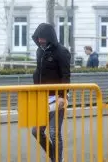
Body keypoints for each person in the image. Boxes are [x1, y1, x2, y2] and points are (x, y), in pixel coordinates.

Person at [31, 23, 71, 162]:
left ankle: (58, 160)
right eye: (38, 38)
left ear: (49, 37)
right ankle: (54, 157)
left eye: (42, 38)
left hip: (58, 98)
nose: (40, 40)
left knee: (54, 132)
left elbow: (65, 76)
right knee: (36, 131)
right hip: (43, 98)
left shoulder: (62, 52)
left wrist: (62, 96)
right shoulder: (40, 51)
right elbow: (38, 73)